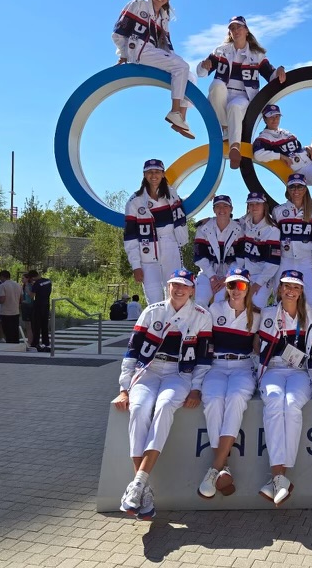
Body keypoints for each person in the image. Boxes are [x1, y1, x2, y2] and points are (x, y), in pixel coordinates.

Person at [113, 269, 213, 520]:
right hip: (148, 371)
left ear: (192, 290)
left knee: (166, 406)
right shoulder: (152, 311)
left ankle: (137, 486)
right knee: (138, 409)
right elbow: (132, 352)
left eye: (184, 286)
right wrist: (124, 388)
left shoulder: (202, 316)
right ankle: (141, 488)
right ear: (168, 286)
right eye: (174, 285)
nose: (178, 290)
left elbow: (203, 358)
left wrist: (196, 387)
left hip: (179, 374)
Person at [255, 270, 312, 506]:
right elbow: (258, 347)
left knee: (292, 404)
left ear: (301, 291)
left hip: (300, 372)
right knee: (274, 401)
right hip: (273, 369)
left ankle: (280, 477)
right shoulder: (267, 314)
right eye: (286, 286)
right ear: (279, 289)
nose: (291, 291)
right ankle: (279, 477)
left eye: (295, 287)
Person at [197, 268, 259, 499]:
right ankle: (222, 467)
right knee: (213, 400)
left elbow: (260, 346)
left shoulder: (257, 315)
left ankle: (215, 469)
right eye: (231, 285)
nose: (235, 290)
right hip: (217, 365)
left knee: (235, 399)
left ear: (248, 289)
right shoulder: (214, 309)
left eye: (241, 286)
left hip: (242, 367)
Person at [196, 16, 286, 168]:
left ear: (246, 30)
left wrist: (280, 70)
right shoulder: (221, 51)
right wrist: (203, 66)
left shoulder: (256, 55)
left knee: (235, 107)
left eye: (239, 27)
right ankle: (226, 128)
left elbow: (270, 74)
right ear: (229, 32)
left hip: (244, 96)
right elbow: (201, 73)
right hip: (223, 96)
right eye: (232, 28)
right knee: (217, 85)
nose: (236, 31)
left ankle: (234, 149)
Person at [112, 0, 195, 139]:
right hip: (139, 51)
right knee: (181, 67)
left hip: (152, 53)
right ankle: (175, 111)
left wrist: (173, 60)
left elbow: (166, 46)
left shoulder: (164, 17)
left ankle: (181, 119)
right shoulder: (138, 4)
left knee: (189, 75)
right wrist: (123, 54)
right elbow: (118, 31)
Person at [124, 159, 188, 305]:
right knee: (154, 299)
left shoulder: (171, 194)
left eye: (157, 172)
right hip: (146, 252)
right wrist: (135, 265)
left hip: (170, 247)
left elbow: (182, 207)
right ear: (144, 175)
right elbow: (130, 237)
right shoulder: (135, 201)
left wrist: (206, 196)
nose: (154, 175)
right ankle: (156, 326)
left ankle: (174, 327)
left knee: (175, 294)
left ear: (163, 174)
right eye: (150, 172)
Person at [271, 173, 312, 304]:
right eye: (292, 187)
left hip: (306, 263)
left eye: (300, 187)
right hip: (284, 261)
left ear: (305, 189)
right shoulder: (278, 211)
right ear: (287, 190)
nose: (296, 190)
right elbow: (272, 240)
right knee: (280, 301)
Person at [193, 195, 242, 305]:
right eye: (218, 206)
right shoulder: (203, 228)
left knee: (220, 303)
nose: (221, 209)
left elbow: (241, 259)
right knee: (200, 303)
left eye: (225, 206)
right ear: (213, 209)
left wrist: (227, 277)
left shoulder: (239, 230)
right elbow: (199, 257)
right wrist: (212, 277)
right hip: (207, 273)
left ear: (231, 209)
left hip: (230, 274)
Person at [237, 192, 281, 308]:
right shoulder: (245, 222)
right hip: (245, 274)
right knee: (238, 307)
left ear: (264, 206)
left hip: (262, 277)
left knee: (256, 307)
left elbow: (273, 263)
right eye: (251, 204)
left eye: (258, 204)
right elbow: (229, 222)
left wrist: (257, 284)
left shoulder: (272, 230)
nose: (254, 207)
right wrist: (210, 220)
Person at [27, 269, 52, 353]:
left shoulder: (36, 283)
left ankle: (35, 343)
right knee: (44, 325)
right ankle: (46, 343)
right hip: (46, 304)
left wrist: (28, 288)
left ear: (32, 278)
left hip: (38, 306)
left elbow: (31, 296)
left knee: (36, 326)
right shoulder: (48, 281)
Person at [0, 270, 23, 343]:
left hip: (6, 312)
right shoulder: (18, 285)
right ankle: (16, 344)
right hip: (15, 311)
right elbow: (21, 298)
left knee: (7, 331)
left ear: (2, 277)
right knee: (15, 330)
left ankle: (9, 344)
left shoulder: (2, 286)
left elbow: (2, 299)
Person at [20, 275, 33, 343]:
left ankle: (30, 341)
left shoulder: (28, 286)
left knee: (29, 325)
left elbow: (29, 298)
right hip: (26, 306)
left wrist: (23, 301)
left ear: (27, 279)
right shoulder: (24, 286)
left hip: (28, 306)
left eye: (23, 278)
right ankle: (29, 340)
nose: (22, 279)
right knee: (27, 325)